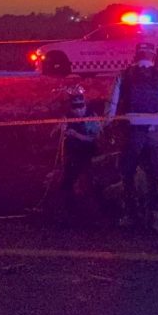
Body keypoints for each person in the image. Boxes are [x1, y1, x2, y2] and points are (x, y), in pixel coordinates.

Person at [107, 42, 158, 228]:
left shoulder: (123, 76)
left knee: (128, 174)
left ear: (136, 55)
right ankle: (154, 217)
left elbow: (112, 105)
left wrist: (106, 125)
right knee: (154, 176)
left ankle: (131, 215)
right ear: (153, 56)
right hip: (155, 132)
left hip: (131, 132)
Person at [58, 85, 101, 223]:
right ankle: (70, 213)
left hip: (89, 154)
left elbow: (95, 138)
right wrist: (61, 129)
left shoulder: (91, 116)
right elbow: (56, 136)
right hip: (72, 156)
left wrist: (77, 135)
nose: (78, 110)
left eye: (80, 106)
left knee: (89, 183)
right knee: (67, 183)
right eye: (74, 106)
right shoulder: (67, 117)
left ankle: (94, 215)